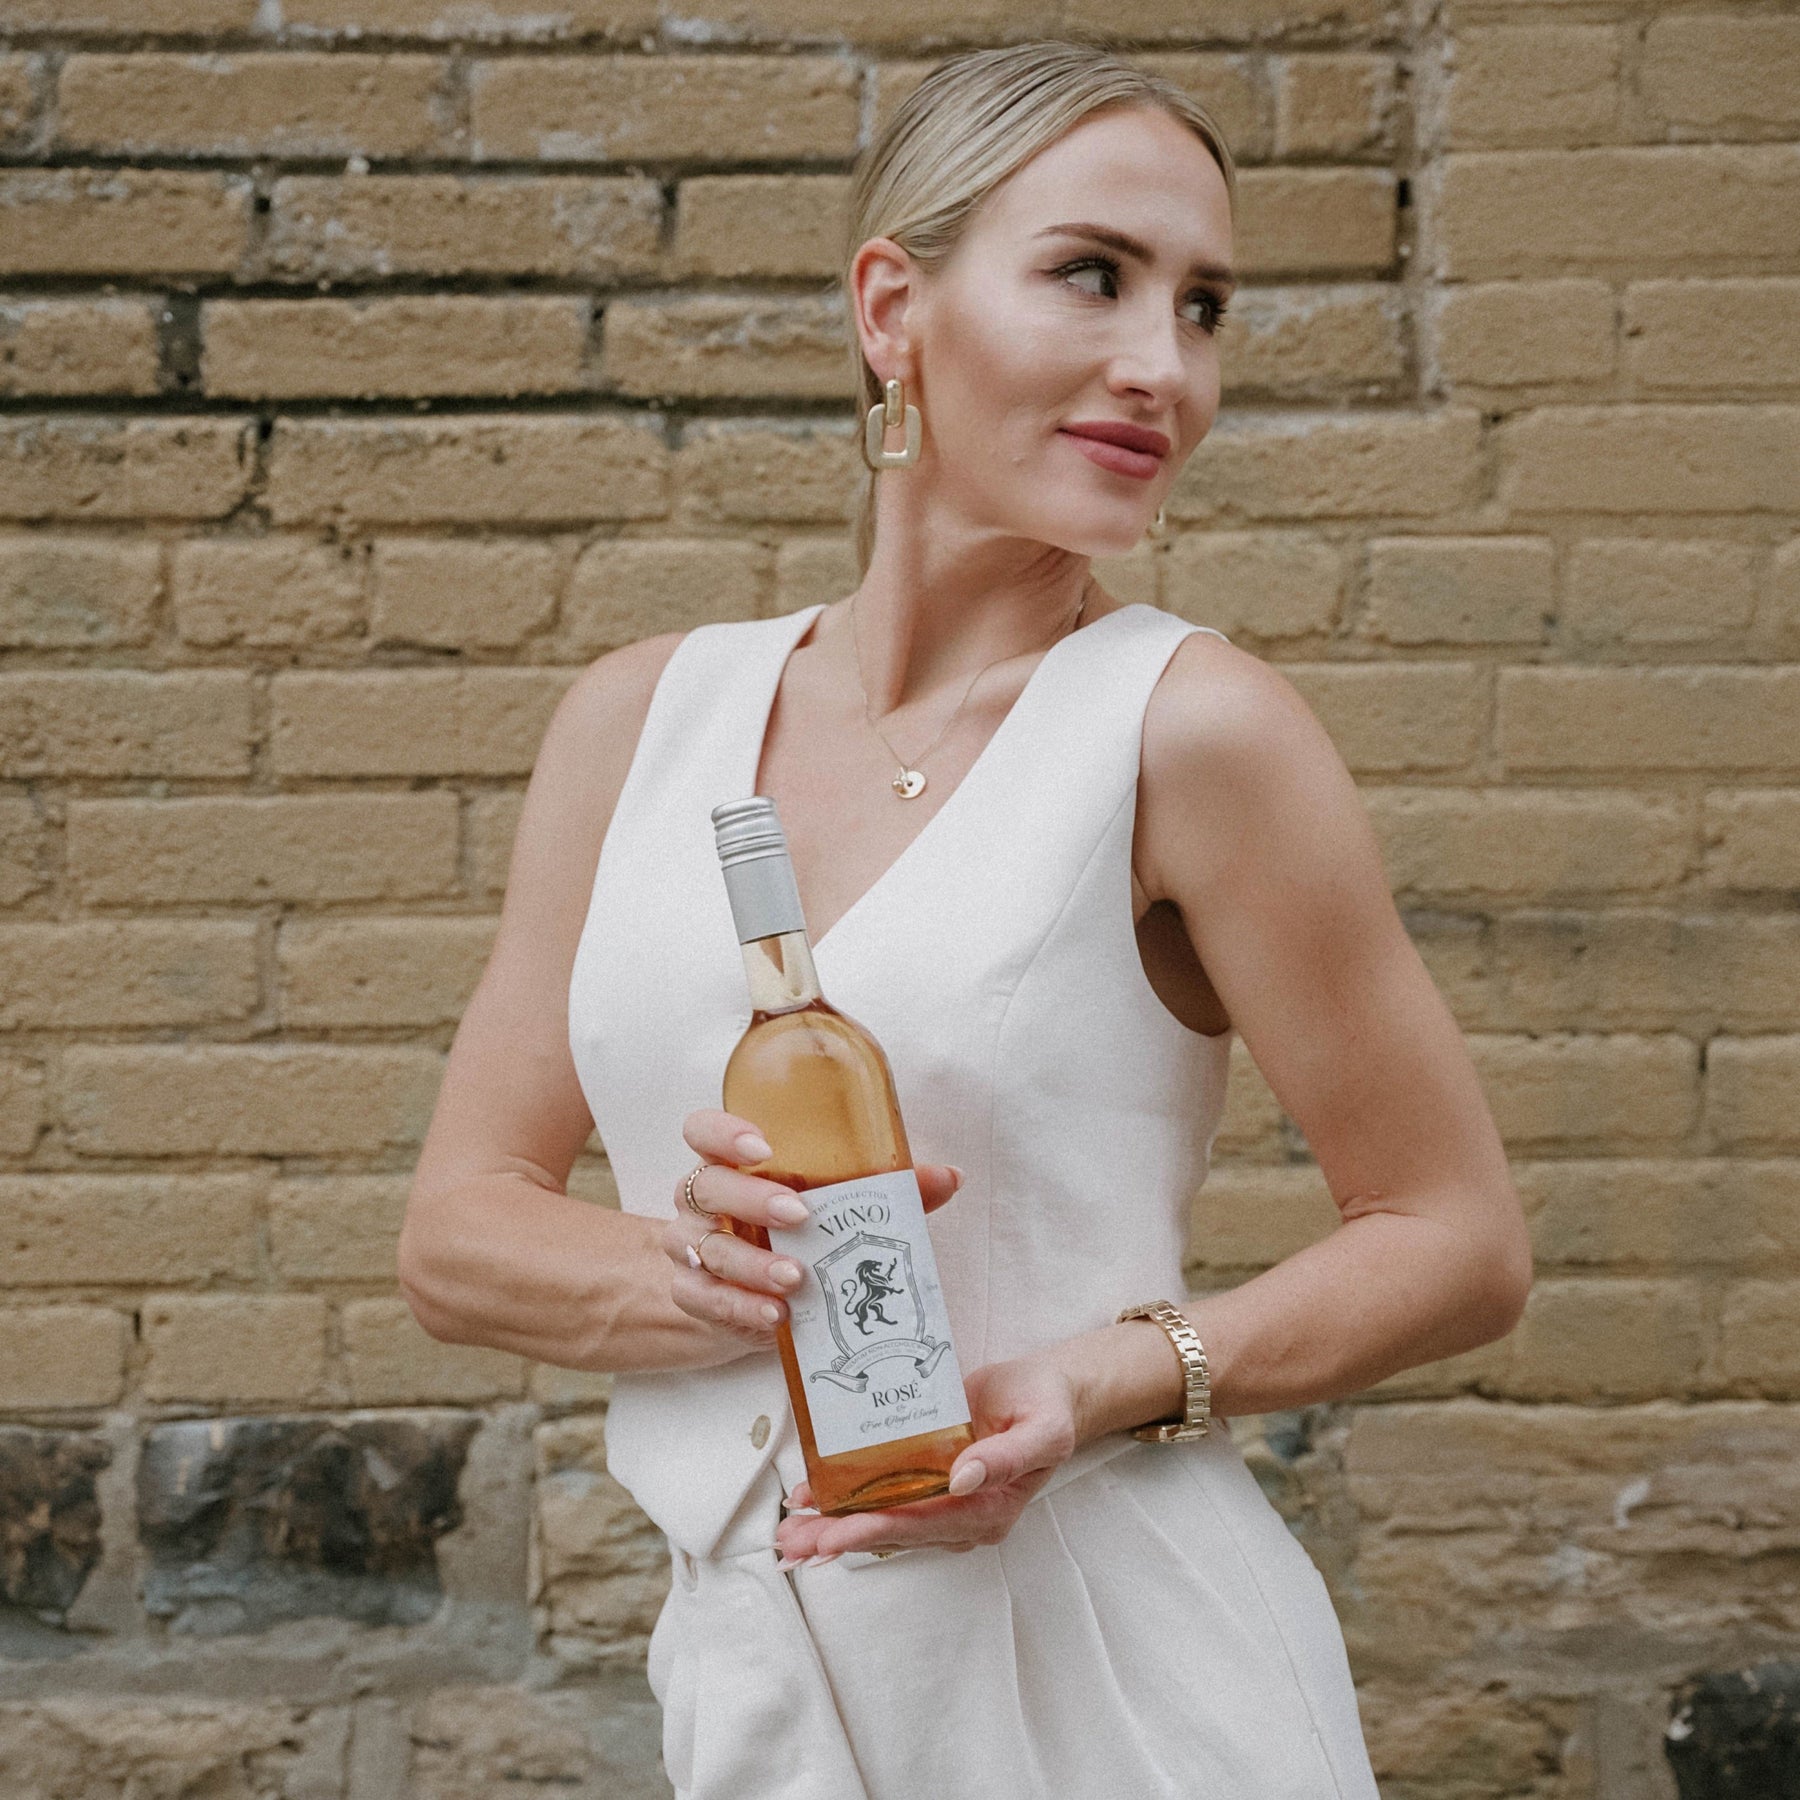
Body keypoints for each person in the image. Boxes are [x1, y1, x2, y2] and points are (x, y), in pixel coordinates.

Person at [398, 38, 1534, 1800]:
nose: (1163, 367)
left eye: (1207, 307)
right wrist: (698, 1268)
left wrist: (1101, 1380)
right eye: (1094, 274)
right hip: (759, 1672)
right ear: (891, 309)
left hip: (1122, 1669)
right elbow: (458, 1235)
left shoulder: (1192, 731)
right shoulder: (642, 723)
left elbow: (1457, 1237)